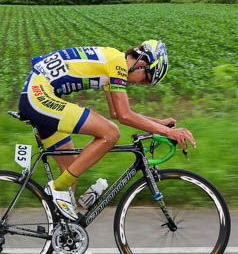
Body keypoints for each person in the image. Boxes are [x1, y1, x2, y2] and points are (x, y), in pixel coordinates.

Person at [18, 40, 195, 221]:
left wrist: (160, 124)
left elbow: (117, 113)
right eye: (145, 79)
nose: (140, 84)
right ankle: (57, 189)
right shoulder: (117, 64)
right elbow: (125, 116)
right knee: (111, 133)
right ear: (142, 64)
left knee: (70, 169)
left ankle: (66, 236)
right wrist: (169, 132)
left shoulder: (114, 59)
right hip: (39, 96)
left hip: (38, 94)